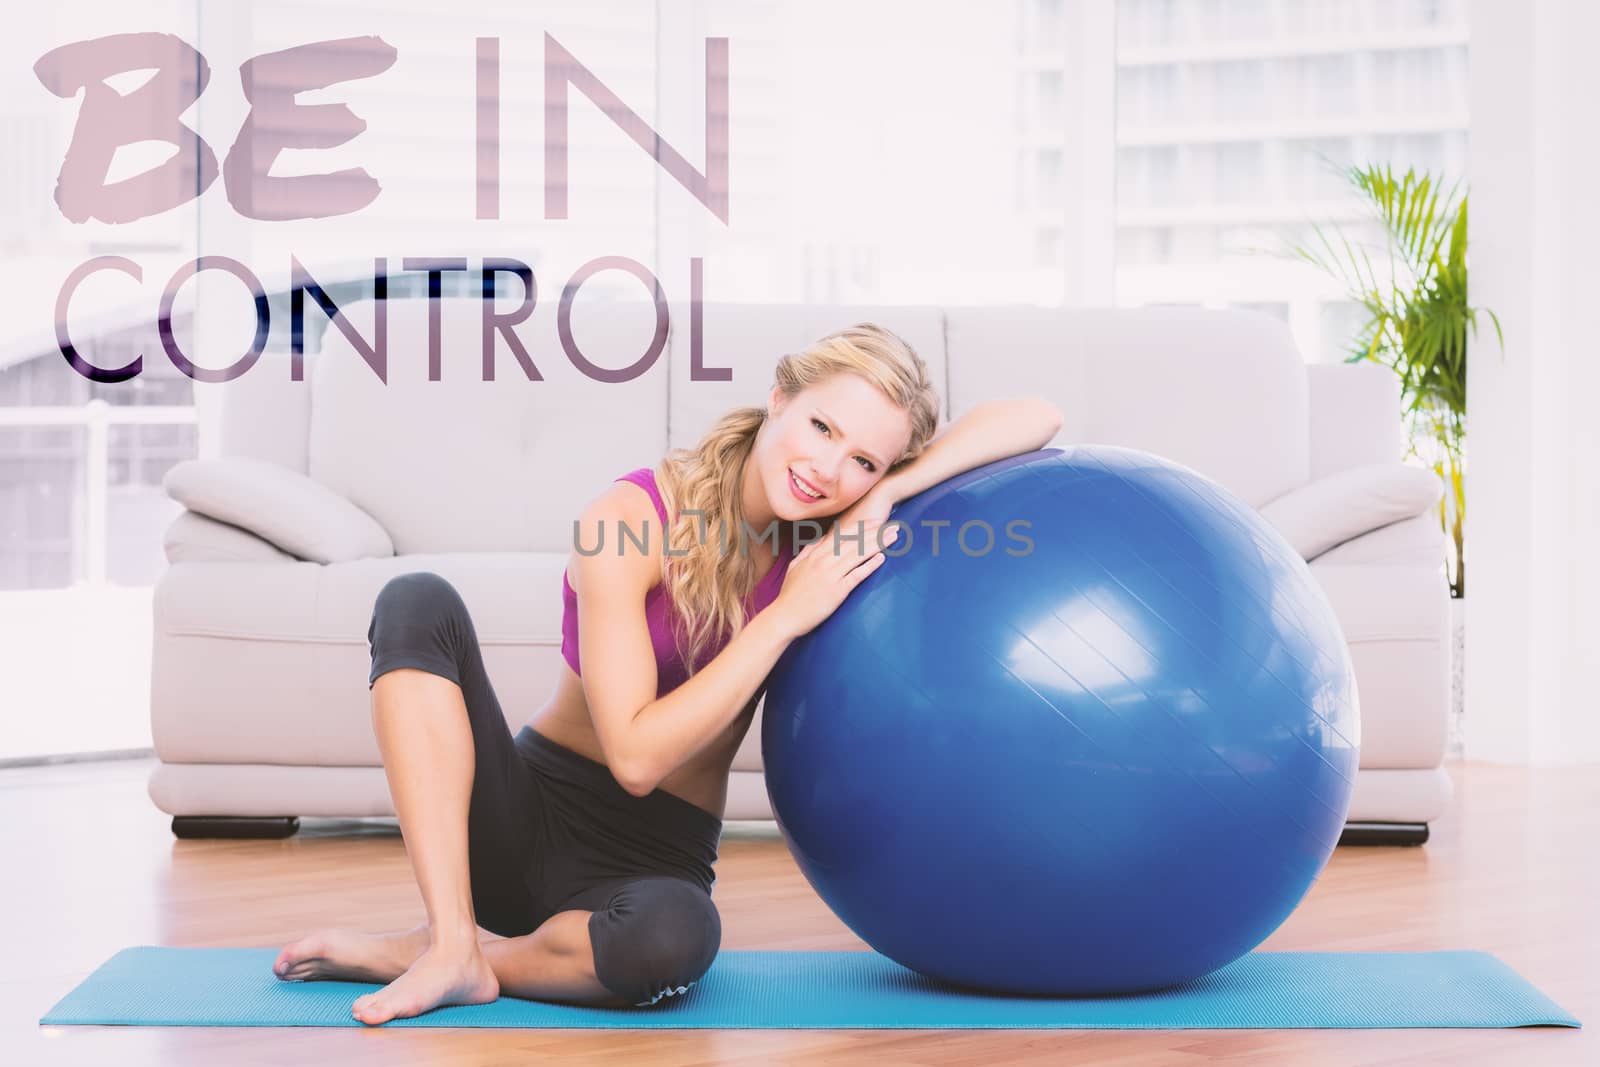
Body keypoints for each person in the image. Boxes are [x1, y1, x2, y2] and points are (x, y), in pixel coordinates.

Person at [271, 322, 1063, 1024]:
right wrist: (784, 612)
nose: (827, 468)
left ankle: (472, 963)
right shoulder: (634, 518)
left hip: (654, 867)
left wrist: (889, 488)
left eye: (859, 457)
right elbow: (638, 758)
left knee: (676, 940)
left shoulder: (821, 541)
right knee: (416, 599)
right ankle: (449, 936)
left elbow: (1038, 417)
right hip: (523, 820)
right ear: (779, 395)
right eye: (821, 426)